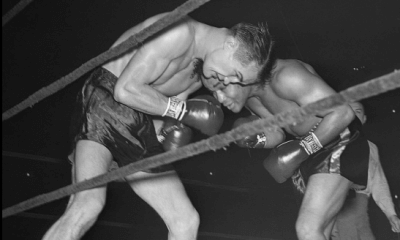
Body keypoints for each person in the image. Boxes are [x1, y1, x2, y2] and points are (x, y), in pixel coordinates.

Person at [42, 11, 274, 240]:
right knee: (87, 205)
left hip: (136, 124)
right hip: (106, 101)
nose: (227, 82)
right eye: (234, 74)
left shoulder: (201, 72)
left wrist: (167, 134)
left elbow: (160, 111)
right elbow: (125, 91)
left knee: (185, 221)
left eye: (236, 82)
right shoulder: (177, 32)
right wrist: (182, 112)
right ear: (231, 44)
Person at [202, 57, 371, 240]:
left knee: (307, 229)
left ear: (235, 75)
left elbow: (343, 113)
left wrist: (304, 148)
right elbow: (278, 134)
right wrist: (256, 138)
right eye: (214, 93)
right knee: (318, 233)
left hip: (338, 137)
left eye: (220, 88)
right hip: (310, 150)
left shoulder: (286, 75)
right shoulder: (251, 99)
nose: (219, 98)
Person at [330, 102, 400, 240]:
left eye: (358, 111)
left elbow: (378, 182)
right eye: (349, 111)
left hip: (361, 207)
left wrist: (391, 214)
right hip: (337, 205)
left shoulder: (371, 148)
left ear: (364, 118)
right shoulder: (328, 143)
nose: (354, 115)